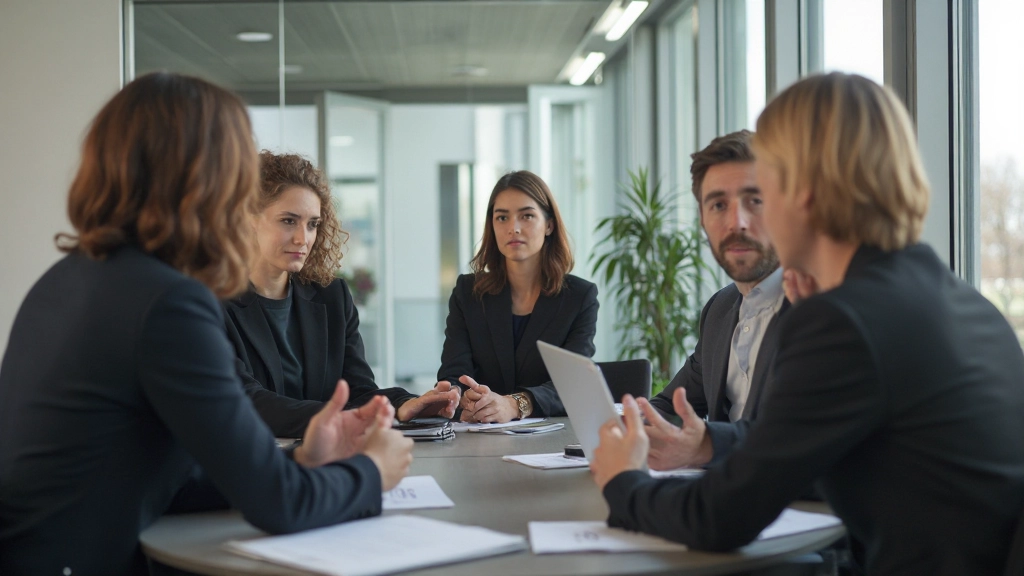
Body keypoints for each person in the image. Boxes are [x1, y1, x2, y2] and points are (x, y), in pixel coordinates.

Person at [590, 72, 1024, 574]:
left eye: (764, 188)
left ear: (805, 189)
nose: (749, 218)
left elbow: (720, 517)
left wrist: (623, 483)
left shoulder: (846, 322)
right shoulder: (957, 301)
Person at [0, 73, 413, 576]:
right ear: (206, 176)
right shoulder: (169, 301)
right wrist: (372, 472)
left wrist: (302, 460)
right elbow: (278, 506)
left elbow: (167, 473)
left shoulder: (71, 278)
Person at [223, 151, 459, 438]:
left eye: (312, 224)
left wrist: (403, 404)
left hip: (328, 459)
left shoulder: (331, 297)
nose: (303, 238)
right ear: (249, 219)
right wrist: (344, 418)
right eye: (288, 221)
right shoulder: (214, 302)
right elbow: (246, 400)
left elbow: (357, 389)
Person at [639, 130, 788, 471]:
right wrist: (633, 426)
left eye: (755, 201)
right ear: (703, 221)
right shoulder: (721, 309)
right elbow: (670, 404)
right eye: (718, 205)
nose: (736, 223)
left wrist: (706, 446)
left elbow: (800, 439)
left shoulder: (822, 307)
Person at [438, 170, 598, 423]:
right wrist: (462, 396)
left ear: (549, 225)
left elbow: (572, 384)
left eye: (527, 216)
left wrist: (516, 404)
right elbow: (454, 372)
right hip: (479, 437)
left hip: (551, 443)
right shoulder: (468, 293)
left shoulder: (579, 297)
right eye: (502, 217)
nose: (513, 228)